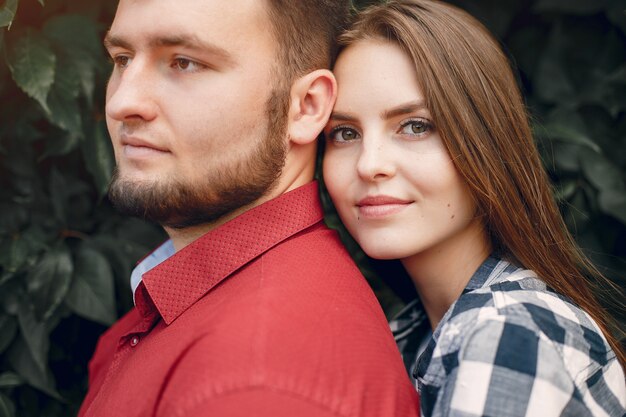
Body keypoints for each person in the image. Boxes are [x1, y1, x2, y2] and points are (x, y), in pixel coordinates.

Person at [78, 1, 420, 416]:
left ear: (306, 106)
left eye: (184, 63)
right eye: (123, 58)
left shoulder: (256, 382)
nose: (121, 103)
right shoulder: (186, 307)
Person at [322, 0, 626, 416]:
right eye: (344, 132)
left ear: (486, 140)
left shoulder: (507, 336)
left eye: (415, 126)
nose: (370, 163)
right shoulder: (414, 333)